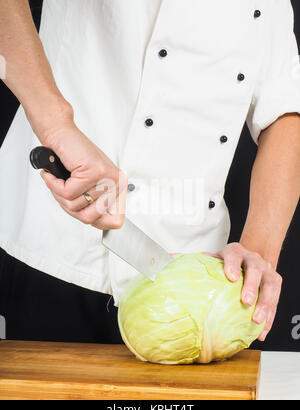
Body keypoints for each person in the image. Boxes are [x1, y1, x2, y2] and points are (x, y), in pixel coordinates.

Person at [0, 0, 300, 345]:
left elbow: (284, 108)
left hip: (191, 292)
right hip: (52, 250)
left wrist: (258, 256)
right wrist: (56, 126)